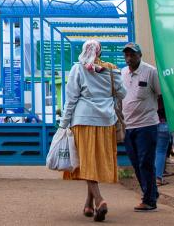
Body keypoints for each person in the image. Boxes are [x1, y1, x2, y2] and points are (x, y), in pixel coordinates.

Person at [58, 39, 124, 221]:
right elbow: (123, 93)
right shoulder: (112, 69)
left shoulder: (78, 69)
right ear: (100, 52)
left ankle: (100, 200)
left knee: (86, 161)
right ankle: (88, 204)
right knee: (94, 160)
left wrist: (63, 124)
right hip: (106, 122)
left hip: (83, 120)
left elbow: (71, 99)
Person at [121, 42, 160, 212]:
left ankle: (149, 199)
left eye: (132, 54)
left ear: (140, 55)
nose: (129, 58)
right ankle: (151, 193)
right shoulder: (122, 73)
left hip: (147, 125)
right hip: (128, 126)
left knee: (146, 162)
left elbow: (160, 95)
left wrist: (159, 118)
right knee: (136, 163)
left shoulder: (150, 72)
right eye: (127, 55)